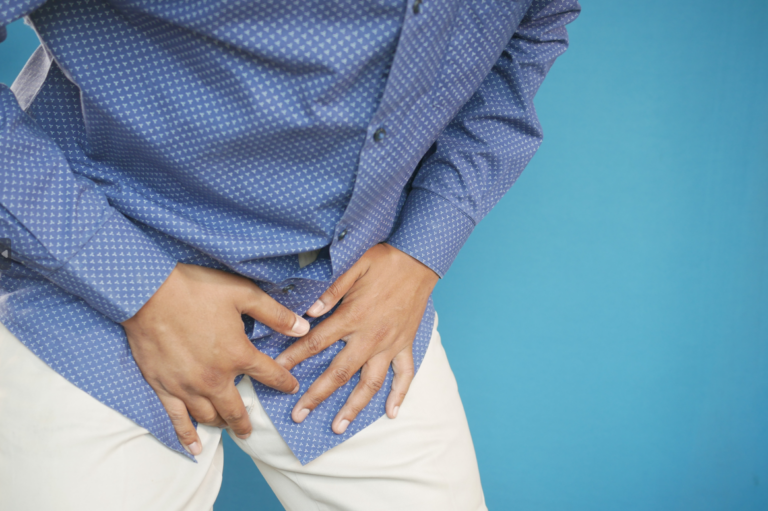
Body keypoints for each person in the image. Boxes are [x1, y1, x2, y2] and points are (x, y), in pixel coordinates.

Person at [0, 0, 580, 509]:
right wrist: (133, 282)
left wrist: (421, 251)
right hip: (96, 289)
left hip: (347, 311)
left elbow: (531, 31)